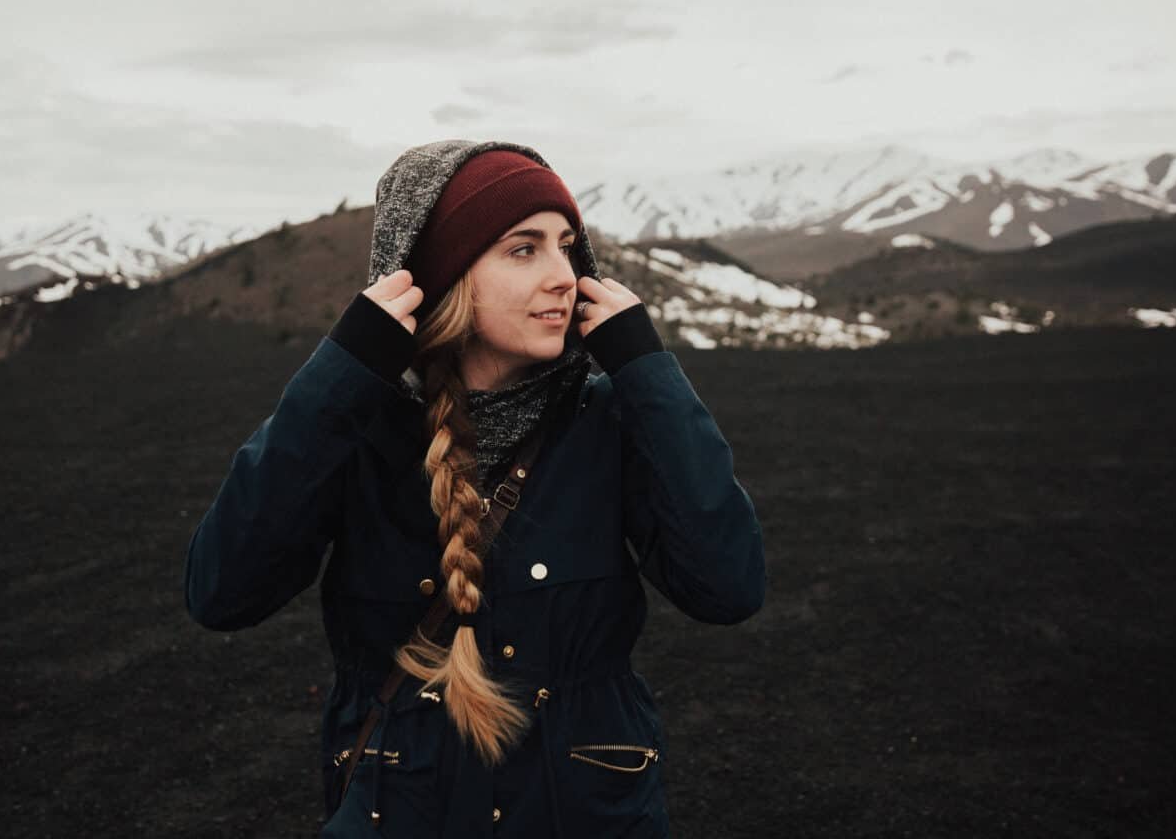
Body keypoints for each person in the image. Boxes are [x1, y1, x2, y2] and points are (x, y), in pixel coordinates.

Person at [184, 140, 766, 838]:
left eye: (568, 246)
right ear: (444, 274)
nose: (566, 277)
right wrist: (339, 377)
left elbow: (728, 588)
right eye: (524, 249)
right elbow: (222, 593)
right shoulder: (356, 425)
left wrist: (648, 372)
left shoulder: (607, 418)